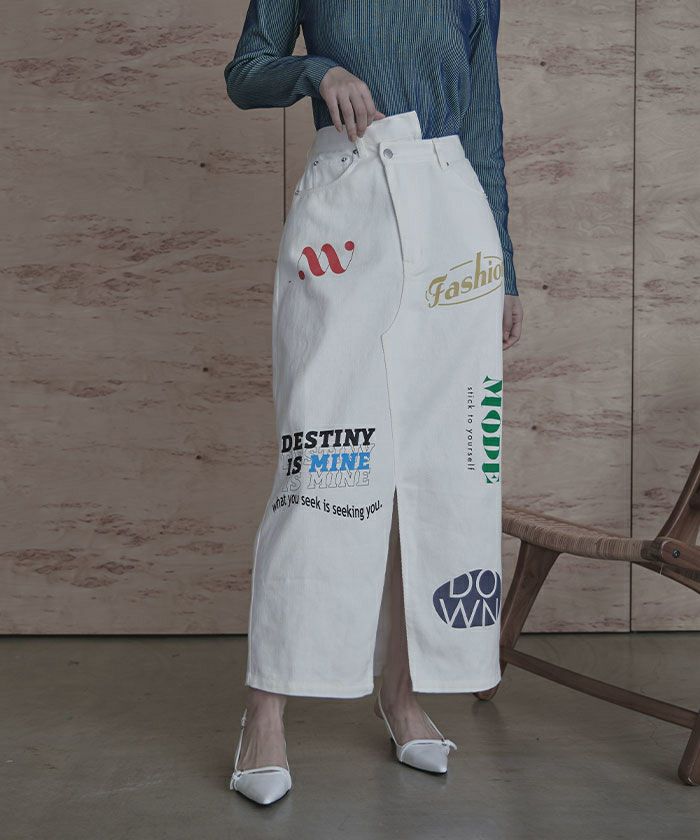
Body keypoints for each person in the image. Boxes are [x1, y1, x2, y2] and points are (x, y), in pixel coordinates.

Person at [223, 0, 524, 805]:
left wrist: (504, 264)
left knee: (442, 470)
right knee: (320, 466)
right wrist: (318, 71)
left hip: (453, 217)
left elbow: (483, 120)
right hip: (347, 204)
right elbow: (245, 74)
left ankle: (403, 695)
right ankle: (265, 715)